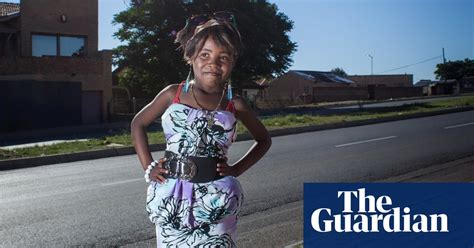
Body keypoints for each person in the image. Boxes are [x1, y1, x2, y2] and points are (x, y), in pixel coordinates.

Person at [131, 11, 272, 247]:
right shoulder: (172, 94)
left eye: (223, 57)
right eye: (205, 54)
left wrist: (236, 169)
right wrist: (148, 168)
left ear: (232, 62)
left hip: (217, 200)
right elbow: (138, 123)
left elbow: (263, 139)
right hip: (171, 196)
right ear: (191, 57)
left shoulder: (234, 103)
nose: (213, 64)